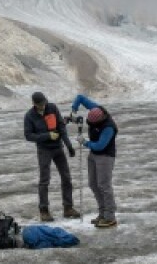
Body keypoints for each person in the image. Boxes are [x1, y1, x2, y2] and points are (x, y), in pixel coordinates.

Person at [22, 91, 81, 222]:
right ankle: (44, 210)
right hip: (44, 150)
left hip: (58, 148)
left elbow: (61, 126)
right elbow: (28, 135)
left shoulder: (52, 108)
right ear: (34, 104)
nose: (43, 106)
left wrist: (68, 145)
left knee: (66, 177)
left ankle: (68, 208)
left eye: (44, 103)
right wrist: (47, 136)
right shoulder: (29, 116)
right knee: (44, 180)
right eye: (40, 105)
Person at [69, 93, 118, 228]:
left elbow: (100, 145)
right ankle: (102, 213)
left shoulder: (108, 127)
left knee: (104, 185)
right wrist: (74, 109)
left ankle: (110, 217)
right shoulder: (96, 109)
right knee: (93, 184)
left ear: (99, 120)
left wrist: (85, 142)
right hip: (93, 155)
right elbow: (80, 97)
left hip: (105, 156)